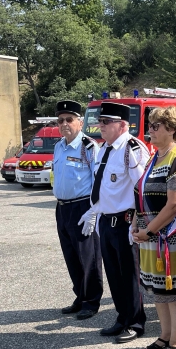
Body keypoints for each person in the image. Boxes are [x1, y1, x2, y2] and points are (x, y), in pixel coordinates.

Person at [133, 106, 176, 349]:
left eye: (156, 125)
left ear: (171, 129)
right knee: (158, 289)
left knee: (175, 292)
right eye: (151, 125)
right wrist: (137, 223)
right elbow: (142, 192)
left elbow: (175, 203)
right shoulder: (155, 157)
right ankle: (164, 335)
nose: (151, 129)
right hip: (152, 233)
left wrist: (149, 230)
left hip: (173, 234)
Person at [81, 102, 148, 343]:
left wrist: (139, 221)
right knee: (113, 274)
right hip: (106, 221)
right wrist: (94, 211)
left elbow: (142, 187)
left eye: (106, 122)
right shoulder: (105, 149)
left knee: (129, 274)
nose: (101, 126)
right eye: (100, 122)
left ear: (122, 125)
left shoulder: (132, 148)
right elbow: (104, 186)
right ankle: (122, 317)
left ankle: (136, 321)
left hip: (125, 222)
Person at [51, 100, 104, 320]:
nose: (64, 124)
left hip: (83, 206)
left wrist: (94, 212)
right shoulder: (58, 146)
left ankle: (91, 301)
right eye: (60, 120)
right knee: (71, 256)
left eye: (69, 119)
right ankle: (79, 296)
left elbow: (98, 183)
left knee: (88, 256)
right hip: (62, 208)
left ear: (80, 123)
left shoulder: (89, 147)